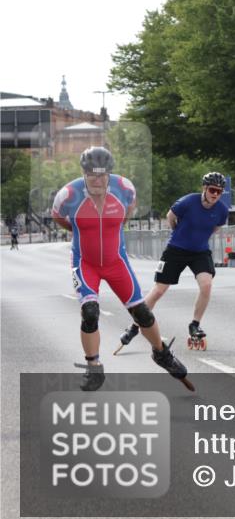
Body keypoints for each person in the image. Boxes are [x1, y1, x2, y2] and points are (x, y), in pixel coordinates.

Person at [51, 146, 193, 392]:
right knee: (90, 312)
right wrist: (81, 230)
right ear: (83, 173)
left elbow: (128, 212)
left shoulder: (124, 189)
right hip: (85, 263)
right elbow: (59, 218)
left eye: (103, 175)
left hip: (117, 262)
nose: (98, 180)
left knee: (143, 314)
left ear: (110, 173)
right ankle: (93, 367)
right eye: (92, 175)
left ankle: (160, 353)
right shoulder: (68, 195)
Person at [117, 172, 230, 353]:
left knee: (206, 285)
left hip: (199, 252)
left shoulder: (222, 210)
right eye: (212, 190)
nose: (215, 194)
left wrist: (199, 239)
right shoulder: (188, 202)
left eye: (219, 191)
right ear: (204, 188)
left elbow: (215, 227)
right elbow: (170, 216)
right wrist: (178, 232)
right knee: (158, 291)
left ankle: (194, 324)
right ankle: (134, 327)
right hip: (176, 250)